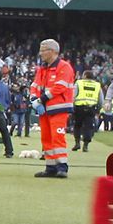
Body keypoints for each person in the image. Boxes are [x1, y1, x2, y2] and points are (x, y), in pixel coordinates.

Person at [31, 38, 76, 178]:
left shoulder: (64, 67)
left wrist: (40, 99)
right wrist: (33, 99)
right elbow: (35, 86)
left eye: (43, 50)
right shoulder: (43, 69)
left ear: (53, 51)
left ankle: (62, 167)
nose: (41, 53)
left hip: (59, 108)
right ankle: (50, 167)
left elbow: (60, 87)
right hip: (44, 108)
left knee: (57, 137)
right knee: (46, 138)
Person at [72, 68, 103, 153]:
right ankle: (86, 145)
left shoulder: (79, 83)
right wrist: (98, 109)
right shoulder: (97, 85)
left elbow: (73, 96)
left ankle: (77, 143)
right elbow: (101, 100)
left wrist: (72, 106)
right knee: (88, 127)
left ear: (85, 76)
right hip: (91, 109)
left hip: (79, 108)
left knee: (77, 126)